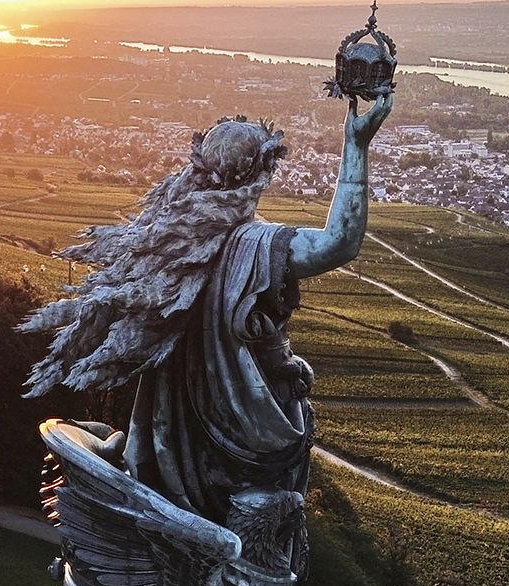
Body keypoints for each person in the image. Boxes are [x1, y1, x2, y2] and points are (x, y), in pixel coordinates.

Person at [21, 95, 393, 546]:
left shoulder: (177, 241)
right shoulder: (253, 245)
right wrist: (356, 145)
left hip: (178, 433)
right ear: (257, 174)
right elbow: (339, 243)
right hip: (244, 424)